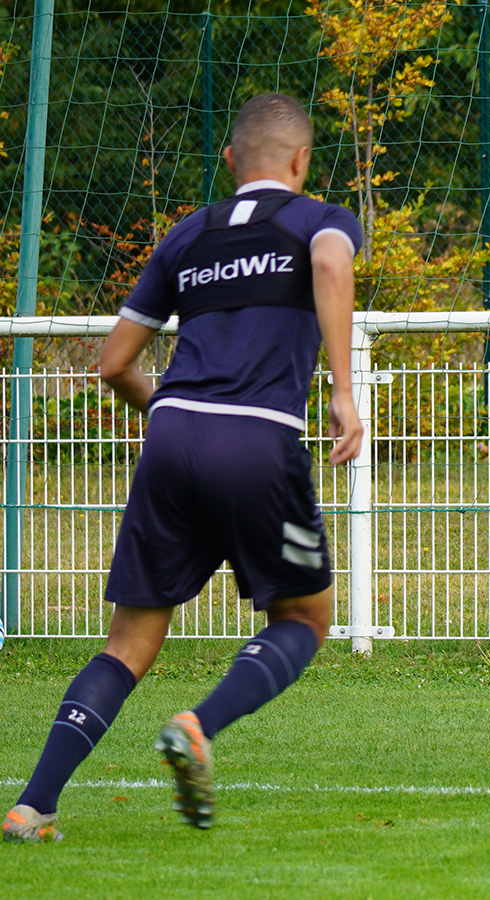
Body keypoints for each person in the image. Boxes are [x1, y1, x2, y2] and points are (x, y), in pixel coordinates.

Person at [3, 93, 364, 841]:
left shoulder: (186, 235)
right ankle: (198, 726)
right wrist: (341, 391)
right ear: (301, 162)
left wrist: (172, 412)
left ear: (231, 161)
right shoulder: (318, 219)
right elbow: (330, 261)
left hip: (168, 434)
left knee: (130, 639)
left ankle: (31, 805)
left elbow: (112, 365)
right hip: (258, 436)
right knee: (304, 616)